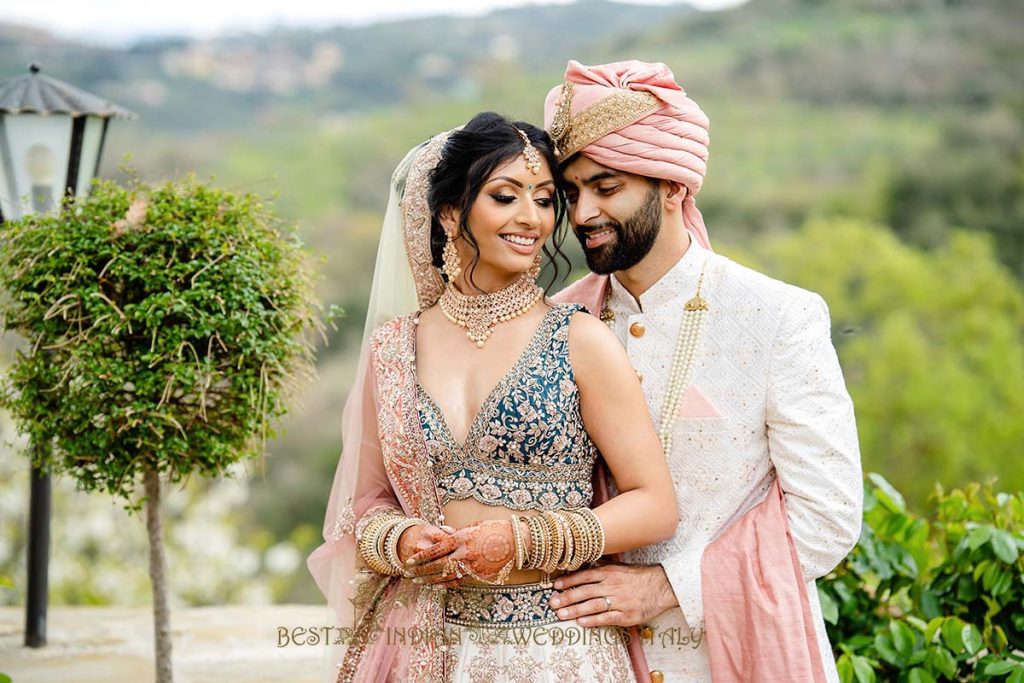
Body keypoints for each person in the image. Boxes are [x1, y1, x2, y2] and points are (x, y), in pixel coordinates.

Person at [307, 111, 678, 683]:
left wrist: (523, 539)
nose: (532, 219)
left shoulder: (579, 339)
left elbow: (655, 504)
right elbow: (363, 507)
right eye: (506, 197)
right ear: (452, 214)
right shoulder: (393, 348)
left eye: (546, 199)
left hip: (556, 649)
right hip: (425, 648)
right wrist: (402, 539)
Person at [542, 60, 864, 683]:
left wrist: (668, 587)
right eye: (572, 192)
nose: (582, 214)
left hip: (731, 656)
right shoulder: (554, 324)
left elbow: (827, 515)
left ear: (673, 188)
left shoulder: (776, 316)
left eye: (607, 188)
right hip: (580, 659)